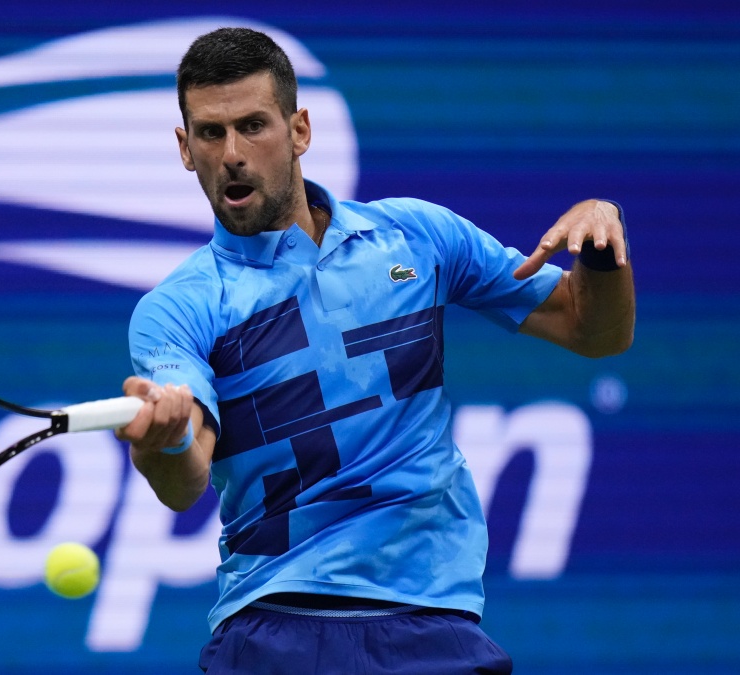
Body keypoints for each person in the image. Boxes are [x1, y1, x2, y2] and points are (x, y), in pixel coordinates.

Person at [115, 27, 635, 674]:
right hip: (274, 627)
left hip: (433, 626)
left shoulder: (417, 237)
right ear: (184, 148)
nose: (233, 154)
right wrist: (161, 438)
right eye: (211, 133)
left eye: (254, 125)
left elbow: (594, 329)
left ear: (300, 130)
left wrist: (602, 243)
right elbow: (185, 470)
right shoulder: (179, 307)